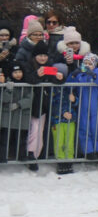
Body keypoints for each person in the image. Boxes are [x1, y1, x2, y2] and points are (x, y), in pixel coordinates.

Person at [22, 40, 64, 170]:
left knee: (38, 130)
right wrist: (37, 74)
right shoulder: (28, 65)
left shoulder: (49, 66)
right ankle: (30, 155)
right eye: (40, 55)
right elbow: (27, 79)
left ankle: (34, 155)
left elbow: (56, 81)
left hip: (42, 104)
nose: (42, 58)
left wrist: (60, 78)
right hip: (29, 103)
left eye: (45, 55)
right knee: (34, 129)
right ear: (35, 56)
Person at [71, 53, 98, 160]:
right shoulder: (80, 76)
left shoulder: (97, 74)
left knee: (97, 129)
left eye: (90, 64)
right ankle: (88, 151)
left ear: (95, 65)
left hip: (96, 107)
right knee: (84, 128)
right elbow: (69, 82)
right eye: (85, 63)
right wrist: (74, 74)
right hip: (82, 107)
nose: (87, 66)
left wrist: (93, 74)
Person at [0, 62, 32, 164]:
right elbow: (4, 99)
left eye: (19, 72)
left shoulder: (27, 83)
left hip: (22, 117)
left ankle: (22, 156)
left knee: (21, 139)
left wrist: (19, 104)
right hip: (8, 117)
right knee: (4, 140)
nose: (18, 74)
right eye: (15, 72)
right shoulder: (7, 83)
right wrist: (8, 90)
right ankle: (2, 157)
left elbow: (30, 98)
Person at [50, 63, 77, 174]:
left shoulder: (69, 87)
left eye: (62, 74)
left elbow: (76, 103)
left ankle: (69, 160)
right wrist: (62, 113)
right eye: (57, 73)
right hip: (57, 120)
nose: (59, 76)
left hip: (70, 119)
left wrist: (74, 100)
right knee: (59, 141)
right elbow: (52, 104)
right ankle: (60, 160)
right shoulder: (52, 88)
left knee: (69, 141)